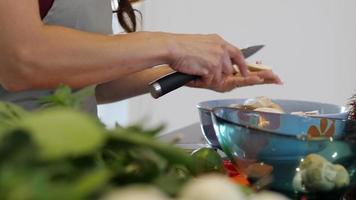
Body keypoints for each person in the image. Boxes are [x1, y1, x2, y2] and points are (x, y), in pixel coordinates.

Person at [0, 0, 282, 114]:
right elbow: (20, 60)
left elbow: (89, 83)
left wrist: (184, 72)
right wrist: (170, 45)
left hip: (74, 165)